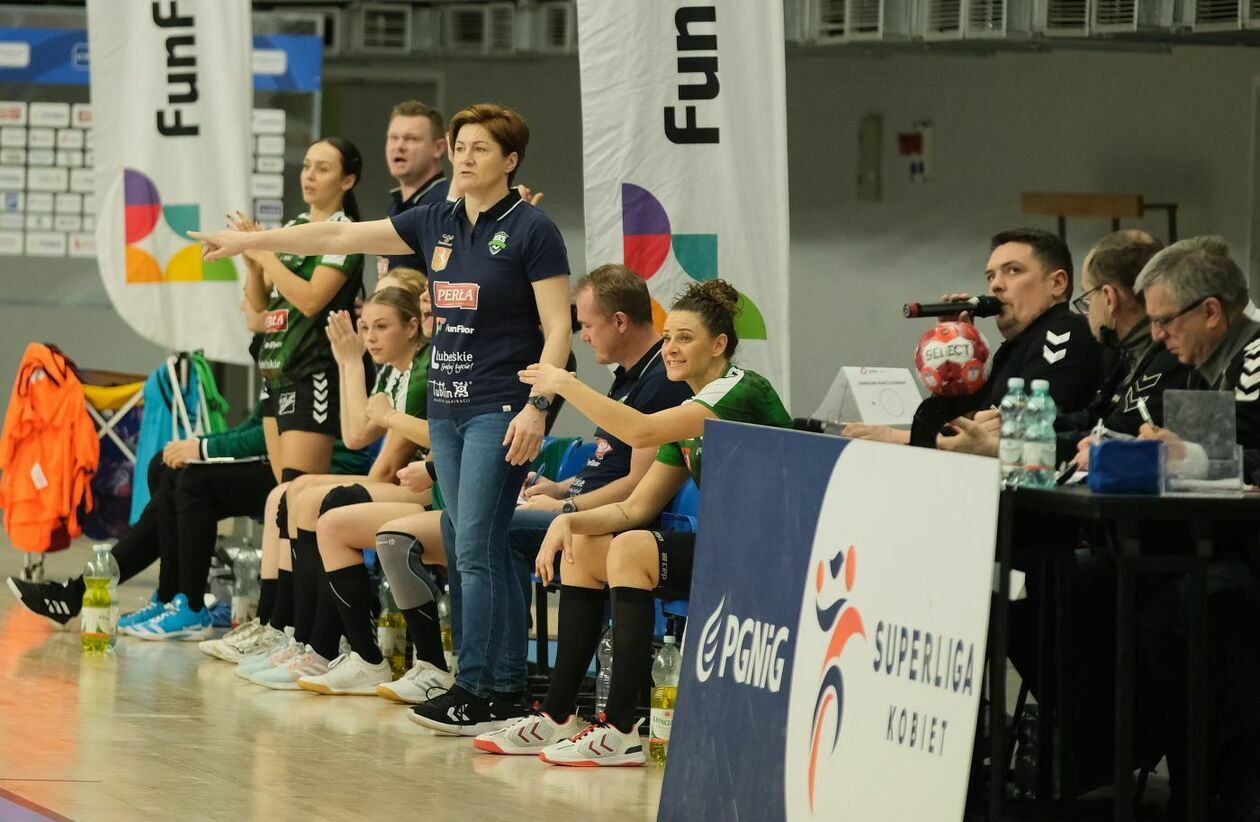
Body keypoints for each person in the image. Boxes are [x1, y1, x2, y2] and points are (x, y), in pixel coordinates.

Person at [193, 103, 573, 728]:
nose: (467, 158)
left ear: (510, 162)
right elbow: (341, 236)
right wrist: (252, 242)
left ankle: (480, 689)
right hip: (446, 408)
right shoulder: (436, 222)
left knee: (475, 544)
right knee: (467, 540)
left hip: (500, 406)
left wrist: (537, 406)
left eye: (482, 149)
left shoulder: (533, 230)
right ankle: (499, 687)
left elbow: (558, 329)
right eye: (462, 147)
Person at [472, 279, 791, 765]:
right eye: (668, 337)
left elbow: (638, 430)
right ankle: (558, 714)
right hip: (727, 549)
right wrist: (570, 519)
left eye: (685, 337)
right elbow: (635, 507)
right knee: (589, 545)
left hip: (776, 552)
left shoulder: (739, 390)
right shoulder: (686, 412)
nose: (672, 348)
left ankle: (623, 728)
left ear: (719, 345)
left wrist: (567, 385)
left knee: (631, 548)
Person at [244, 286, 435, 690]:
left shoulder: (422, 371)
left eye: (381, 327)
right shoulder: (392, 371)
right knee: (291, 493)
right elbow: (354, 435)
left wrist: (378, 403)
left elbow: (384, 470)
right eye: (365, 327)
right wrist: (349, 365)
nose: (370, 337)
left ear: (412, 325)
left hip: (428, 487)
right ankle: (292, 634)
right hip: (409, 482)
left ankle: (322, 646)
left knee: (319, 500)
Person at [846, 228, 1102, 450]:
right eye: (990, 276)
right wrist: (957, 358)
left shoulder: (1064, 331)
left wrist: (895, 437)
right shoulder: (1015, 346)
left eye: (1013, 271)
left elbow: (1012, 429)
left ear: (1057, 283)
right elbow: (956, 423)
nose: (996, 286)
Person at [245, 136, 366, 488]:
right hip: (274, 373)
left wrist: (265, 252)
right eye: (307, 166)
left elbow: (312, 299)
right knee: (281, 495)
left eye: (323, 168)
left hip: (312, 373)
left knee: (298, 492)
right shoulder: (291, 229)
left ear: (347, 181)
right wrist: (252, 263)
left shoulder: (347, 234)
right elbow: (258, 310)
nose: (309, 175)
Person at [382, 100, 450, 276]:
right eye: (393, 137)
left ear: (438, 148)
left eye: (411, 139)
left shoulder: (445, 205)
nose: (399, 146)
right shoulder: (396, 205)